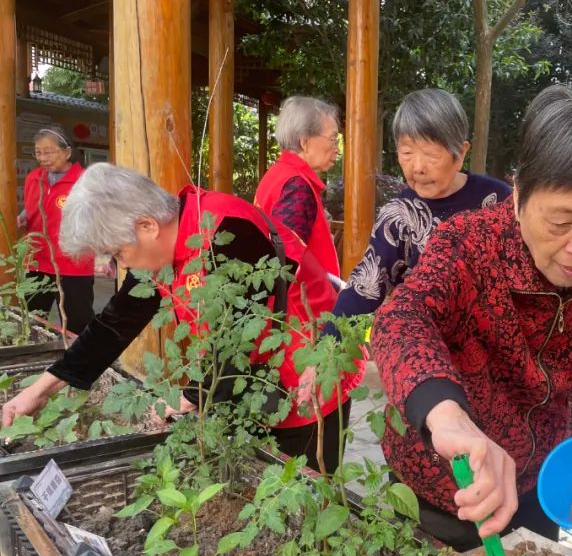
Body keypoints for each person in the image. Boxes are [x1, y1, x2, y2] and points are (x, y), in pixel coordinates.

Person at [371, 85, 572, 550]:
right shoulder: (468, 244)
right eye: (560, 222)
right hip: (451, 488)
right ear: (518, 197)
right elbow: (402, 318)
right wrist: (446, 418)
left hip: (542, 479)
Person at [1, 164, 355, 471]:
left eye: (117, 253)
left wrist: (187, 397)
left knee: (303, 489)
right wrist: (38, 391)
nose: (120, 265)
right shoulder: (159, 251)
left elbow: (238, 335)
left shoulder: (225, 232)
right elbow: (116, 322)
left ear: (147, 226)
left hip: (307, 371)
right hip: (251, 379)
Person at [333, 89, 510, 320]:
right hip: (425, 345)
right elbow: (365, 288)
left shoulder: (499, 202)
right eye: (407, 153)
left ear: (461, 153)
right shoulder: (399, 214)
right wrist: (326, 350)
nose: (417, 167)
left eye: (431, 154)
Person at [255, 96, 342, 285]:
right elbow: (288, 264)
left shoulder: (279, 174)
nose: (337, 149)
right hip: (303, 308)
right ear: (305, 142)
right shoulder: (296, 187)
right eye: (333, 139)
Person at [19, 128, 96, 333]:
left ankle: (78, 363)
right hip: (37, 261)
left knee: (77, 323)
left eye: (48, 152)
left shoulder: (85, 181)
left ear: (67, 153)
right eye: (38, 152)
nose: (42, 158)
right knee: (33, 319)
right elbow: (31, 206)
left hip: (73, 264)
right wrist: (23, 216)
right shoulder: (34, 177)